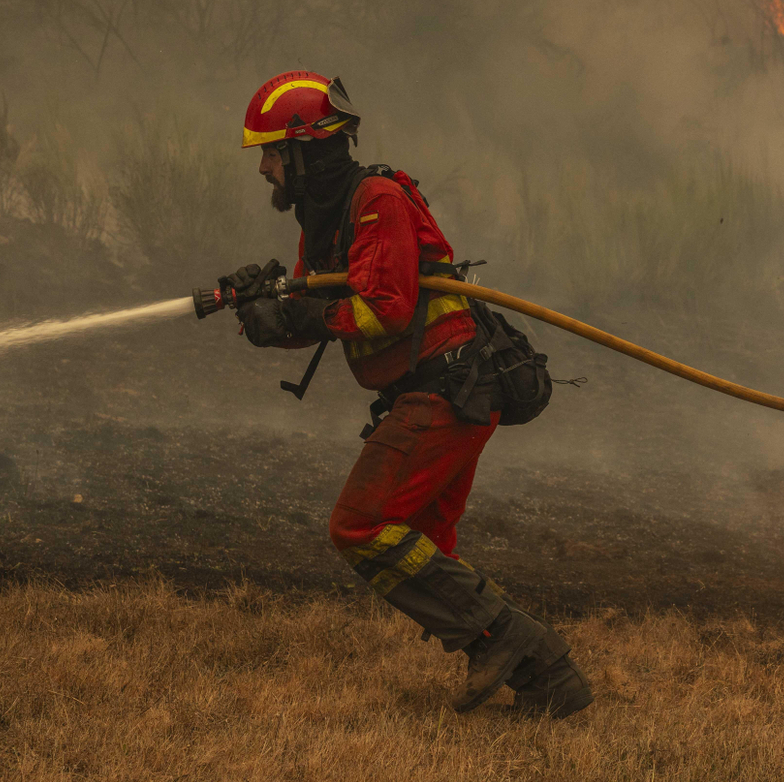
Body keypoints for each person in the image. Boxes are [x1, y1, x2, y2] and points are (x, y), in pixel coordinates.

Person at [223, 70, 592, 718]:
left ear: (306, 152)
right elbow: (328, 313)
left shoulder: (376, 202)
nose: (264, 169)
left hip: (447, 388)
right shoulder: (326, 222)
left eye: (272, 152)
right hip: (437, 394)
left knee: (359, 526)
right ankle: (548, 677)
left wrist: (301, 313)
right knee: (421, 543)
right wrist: (267, 313)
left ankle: (509, 641)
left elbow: (383, 309)